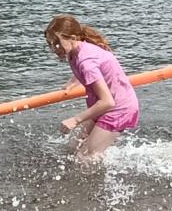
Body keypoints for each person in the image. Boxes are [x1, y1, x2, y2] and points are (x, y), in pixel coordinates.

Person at [43, 15, 138, 160]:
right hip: (104, 107)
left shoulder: (86, 62)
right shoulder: (76, 51)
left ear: (72, 38)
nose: (54, 49)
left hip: (119, 109)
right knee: (72, 147)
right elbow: (94, 66)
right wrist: (74, 80)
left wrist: (75, 120)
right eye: (50, 44)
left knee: (84, 157)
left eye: (57, 44)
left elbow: (107, 101)